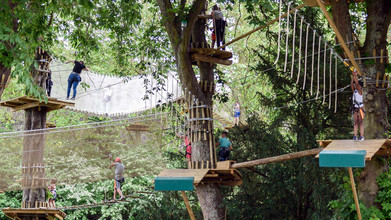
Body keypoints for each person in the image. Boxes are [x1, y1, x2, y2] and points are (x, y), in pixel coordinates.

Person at [351, 69, 365, 141]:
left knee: (361, 122)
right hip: (355, 107)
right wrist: (353, 76)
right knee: (356, 122)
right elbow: (352, 84)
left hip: (361, 108)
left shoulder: (360, 91)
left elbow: (356, 83)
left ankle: (361, 136)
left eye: (358, 85)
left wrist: (355, 75)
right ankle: (355, 136)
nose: (356, 86)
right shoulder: (355, 91)